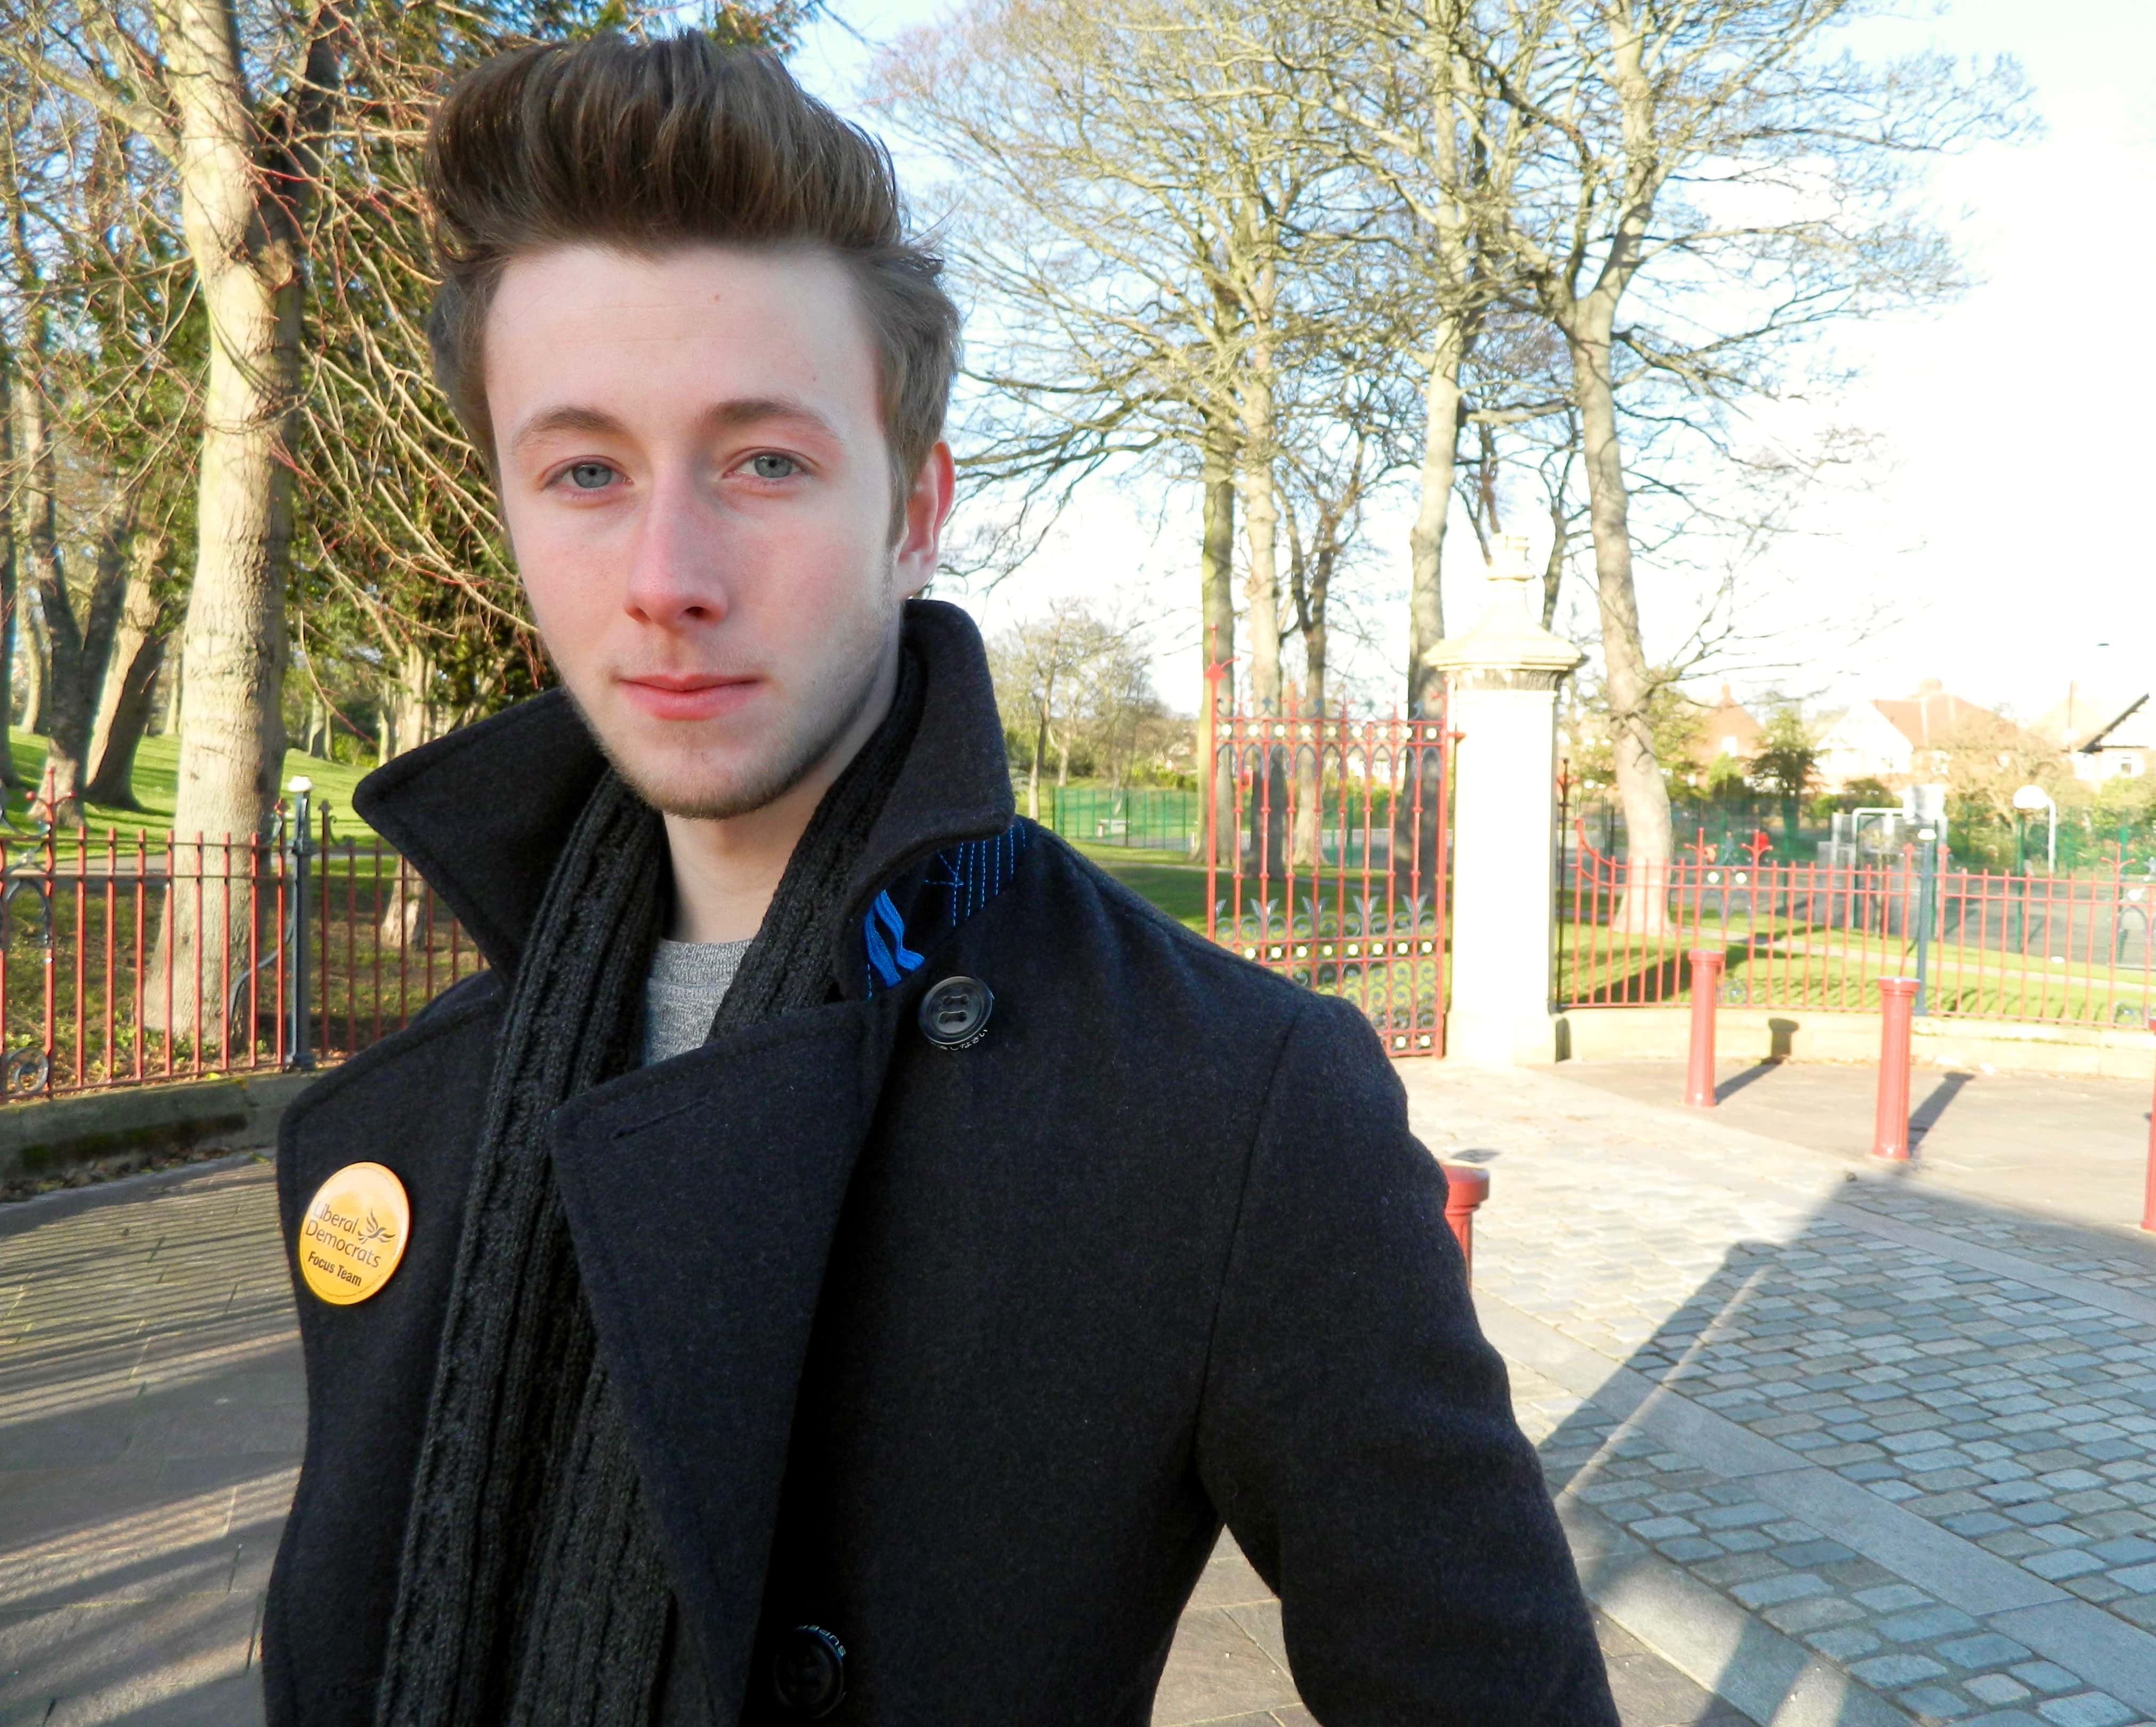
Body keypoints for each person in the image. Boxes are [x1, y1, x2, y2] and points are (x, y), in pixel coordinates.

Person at [263, 30, 1618, 1727]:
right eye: (587, 471)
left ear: (917, 510)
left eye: (765, 460)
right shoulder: (448, 1081)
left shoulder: (1229, 1102)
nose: (668, 576)